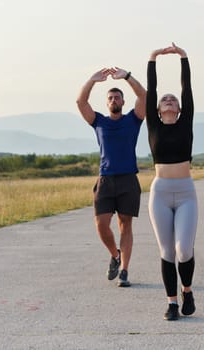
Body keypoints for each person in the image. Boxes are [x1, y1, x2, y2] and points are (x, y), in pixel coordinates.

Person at [76, 66, 146, 287]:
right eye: (110, 98)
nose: (114, 100)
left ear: (123, 102)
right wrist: (92, 80)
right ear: (107, 103)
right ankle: (115, 255)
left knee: (125, 225)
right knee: (101, 224)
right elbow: (81, 102)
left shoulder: (133, 120)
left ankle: (124, 270)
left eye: (117, 97)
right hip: (105, 179)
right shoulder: (99, 121)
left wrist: (126, 77)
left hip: (128, 179)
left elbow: (144, 96)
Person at [146, 43, 197, 321]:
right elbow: (151, 89)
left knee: (184, 249)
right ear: (157, 108)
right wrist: (152, 58)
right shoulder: (152, 125)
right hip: (161, 192)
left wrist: (183, 57)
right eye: (164, 99)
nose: (168, 100)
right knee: (167, 251)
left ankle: (187, 289)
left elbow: (186, 88)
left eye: (172, 99)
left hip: (186, 192)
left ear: (178, 108)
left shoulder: (185, 121)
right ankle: (172, 302)